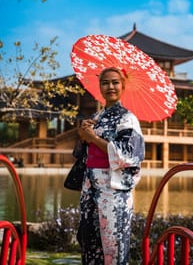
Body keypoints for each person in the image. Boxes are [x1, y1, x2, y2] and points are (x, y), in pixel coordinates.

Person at [77, 67, 145, 265]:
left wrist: (94, 138)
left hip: (113, 189)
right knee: (90, 240)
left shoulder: (127, 118)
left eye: (115, 82)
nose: (110, 87)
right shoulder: (97, 117)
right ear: (100, 86)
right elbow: (84, 153)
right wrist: (83, 137)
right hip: (91, 185)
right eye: (105, 82)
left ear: (123, 86)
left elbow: (130, 155)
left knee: (113, 245)